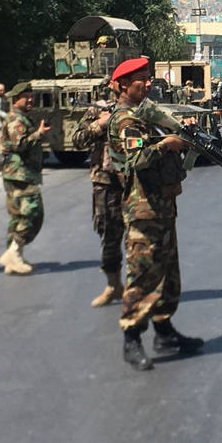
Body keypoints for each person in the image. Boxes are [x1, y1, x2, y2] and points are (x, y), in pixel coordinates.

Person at [107, 58, 203, 371]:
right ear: (123, 85)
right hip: (142, 210)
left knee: (167, 272)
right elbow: (134, 159)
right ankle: (131, 338)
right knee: (143, 273)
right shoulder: (124, 120)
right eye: (140, 80)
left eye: (149, 79)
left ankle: (164, 331)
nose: (148, 84)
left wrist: (181, 135)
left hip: (161, 206)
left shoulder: (146, 115)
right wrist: (168, 145)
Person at [72, 80, 125, 307]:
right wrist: (100, 125)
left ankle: (140, 288)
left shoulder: (140, 108)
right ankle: (113, 285)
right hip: (106, 183)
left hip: (135, 181)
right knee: (109, 236)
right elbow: (77, 140)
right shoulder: (98, 109)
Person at [0, 81, 50, 275]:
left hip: (20, 174)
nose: (31, 99)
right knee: (32, 214)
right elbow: (19, 145)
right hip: (20, 174)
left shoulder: (22, 118)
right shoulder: (15, 120)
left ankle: (14, 256)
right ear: (15, 99)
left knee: (17, 217)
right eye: (26, 96)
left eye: (31, 95)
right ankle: (13, 252)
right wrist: (38, 134)